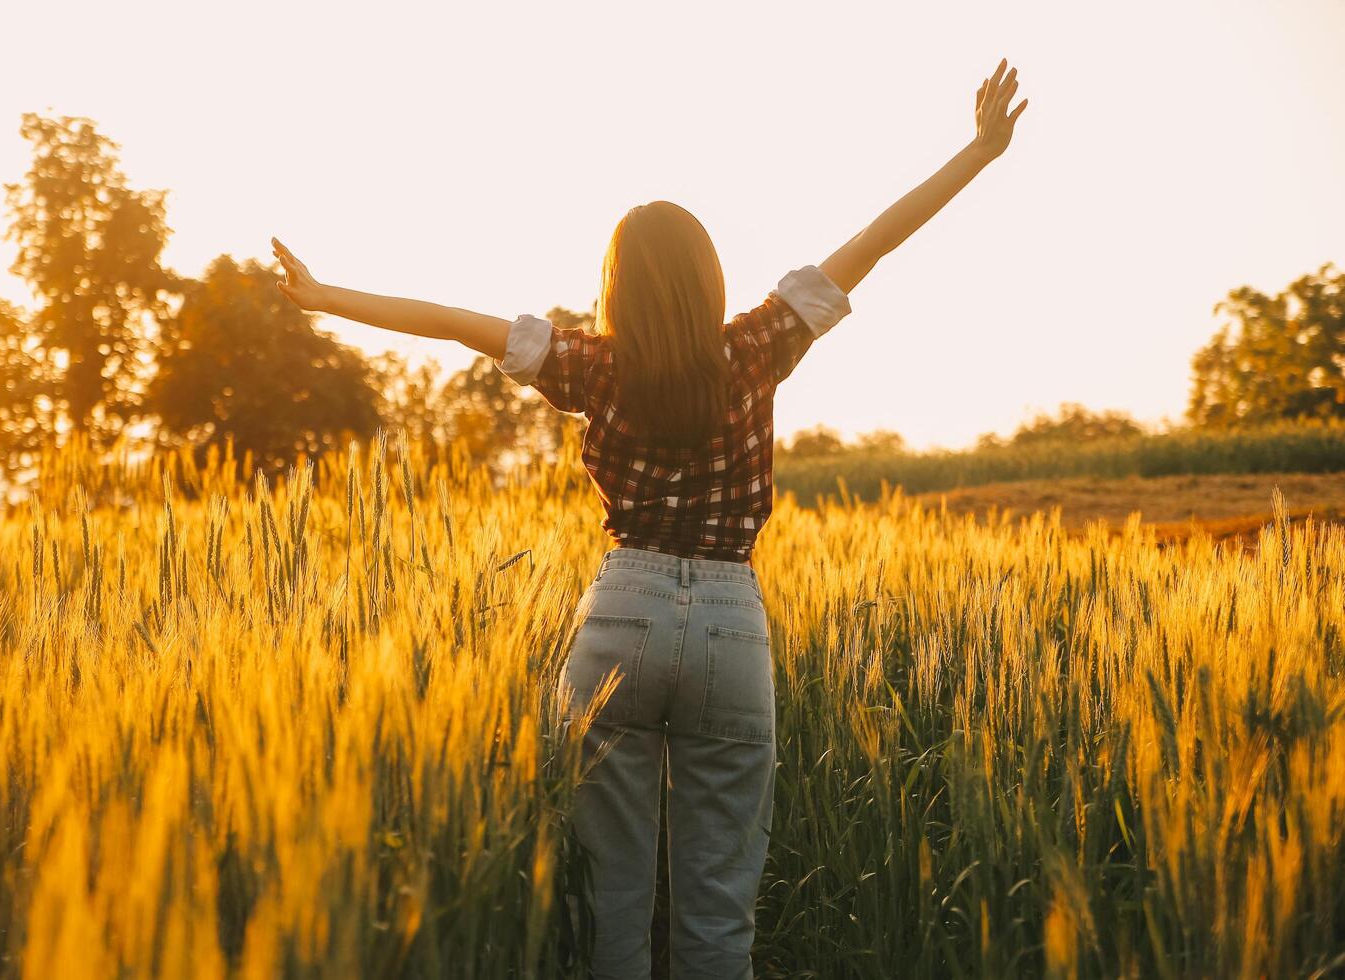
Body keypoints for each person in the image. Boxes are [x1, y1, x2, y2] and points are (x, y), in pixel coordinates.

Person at [271, 58, 1028, 978]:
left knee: (615, 917)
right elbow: (874, 241)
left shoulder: (592, 366)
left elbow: (447, 321)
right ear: (708, 279)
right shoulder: (755, 348)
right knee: (717, 923)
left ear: (616, 285)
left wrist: (324, 298)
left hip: (618, 618)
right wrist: (979, 152)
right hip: (728, 621)